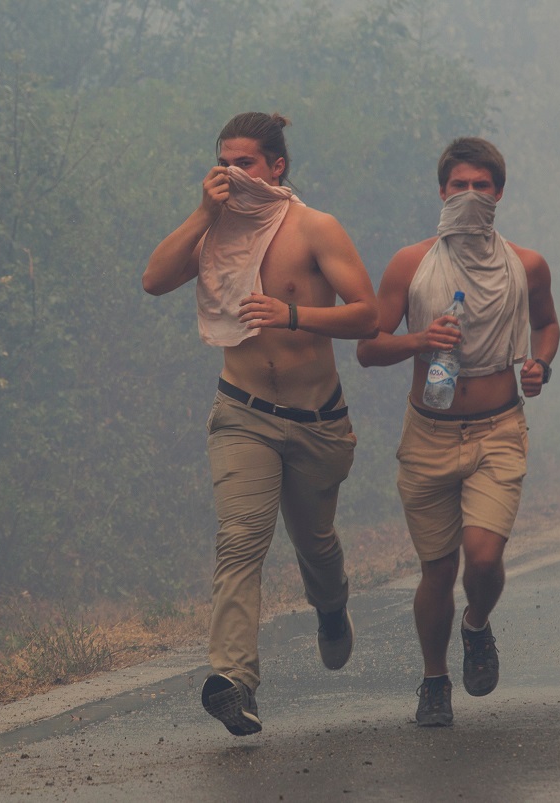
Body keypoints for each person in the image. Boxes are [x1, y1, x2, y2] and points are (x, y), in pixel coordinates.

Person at [143, 112, 379, 736]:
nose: (232, 173)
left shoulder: (314, 229)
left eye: (244, 162)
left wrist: (292, 313)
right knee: (242, 541)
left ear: (276, 166)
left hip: (317, 422)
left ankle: (331, 608)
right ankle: (233, 680)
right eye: (223, 162)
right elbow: (154, 281)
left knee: (315, 544)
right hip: (243, 415)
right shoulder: (217, 231)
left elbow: (368, 314)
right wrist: (201, 214)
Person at [355, 137, 559, 727]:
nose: (469, 195)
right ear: (441, 191)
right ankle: (434, 679)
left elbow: (546, 326)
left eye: (481, 186)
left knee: (483, 556)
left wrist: (539, 365)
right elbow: (369, 348)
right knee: (438, 570)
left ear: (499, 193)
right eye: (458, 185)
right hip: (429, 435)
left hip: (498, 428)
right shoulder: (409, 265)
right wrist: (421, 341)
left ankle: (476, 625)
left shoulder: (527, 265)